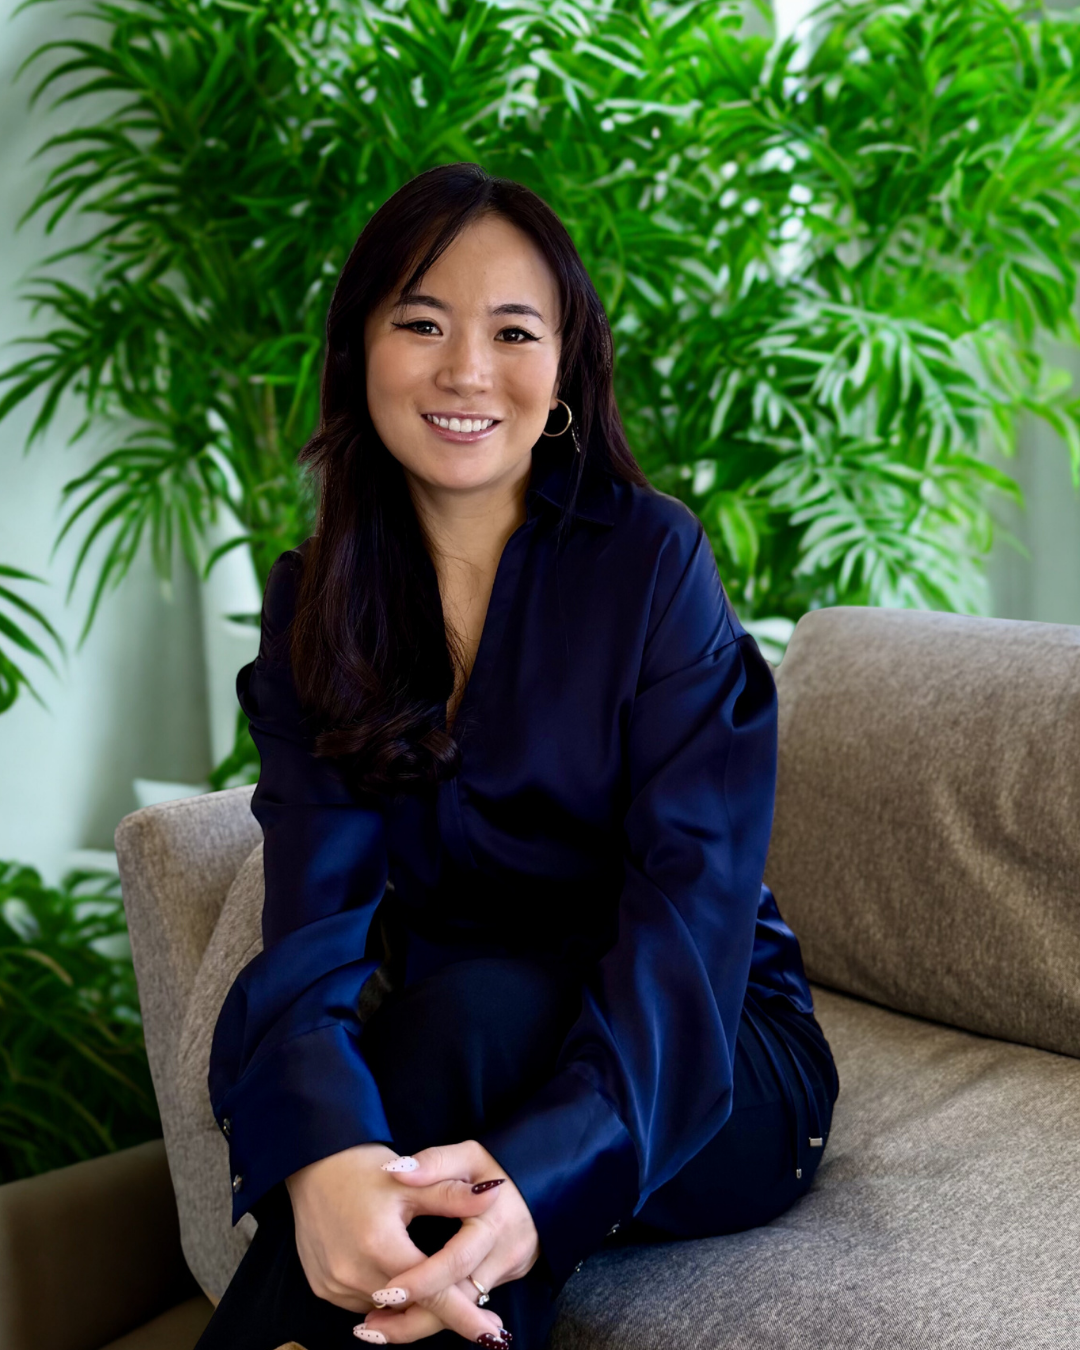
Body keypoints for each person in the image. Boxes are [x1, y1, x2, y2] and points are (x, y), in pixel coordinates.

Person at [195, 162, 839, 1350]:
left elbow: (691, 914)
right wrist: (328, 1164)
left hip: (704, 1059)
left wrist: (542, 1183)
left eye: (513, 331)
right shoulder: (317, 606)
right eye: (422, 323)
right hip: (468, 1043)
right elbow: (313, 933)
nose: (466, 371)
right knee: (441, 1043)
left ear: (564, 370)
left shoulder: (651, 564)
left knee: (463, 1028)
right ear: (359, 351)